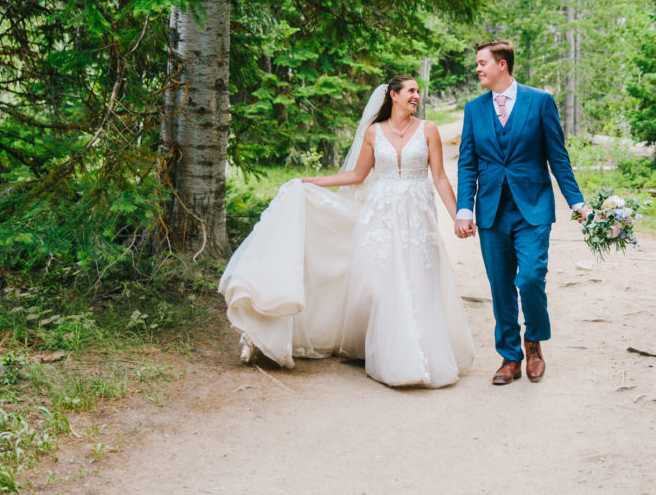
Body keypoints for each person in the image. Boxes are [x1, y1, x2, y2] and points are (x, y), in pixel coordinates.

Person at [218, 77, 474, 388]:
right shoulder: (373, 133)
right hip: (380, 217)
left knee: (420, 281)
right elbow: (356, 175)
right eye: (411, 91)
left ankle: (423, 355)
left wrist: (460, 215)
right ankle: (391, 355)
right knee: (382, 286)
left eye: (418, 91)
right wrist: (311, 182)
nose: (417, 96)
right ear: (393, 96)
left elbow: (440, 178)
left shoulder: (428, 130)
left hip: (418, 219)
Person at [454, 40, 587, 385]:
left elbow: (558, 157)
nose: (478, 69)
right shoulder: (474, 109)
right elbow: (468, 164)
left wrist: (577, 202)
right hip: (491, 212)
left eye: (483, 63)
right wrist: (464, 209)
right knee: (500, 286)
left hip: (533, 209)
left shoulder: (539, 102)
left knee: (529, 279)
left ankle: (534, 344)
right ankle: (509, 357)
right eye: (477, 64)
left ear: (502, 65)